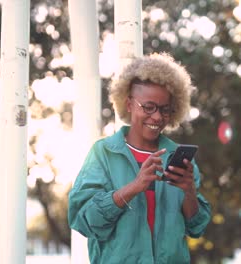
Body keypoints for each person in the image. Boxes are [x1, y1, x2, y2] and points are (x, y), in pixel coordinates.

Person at [68, 53, 211, 263]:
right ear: (128, 104)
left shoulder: (177, 157)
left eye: (165, 109)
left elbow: (197, 228)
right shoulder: (103, 153)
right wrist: (134, 186)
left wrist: (189, 191)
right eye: (148, 107)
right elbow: (84, 220)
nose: (157, 117)